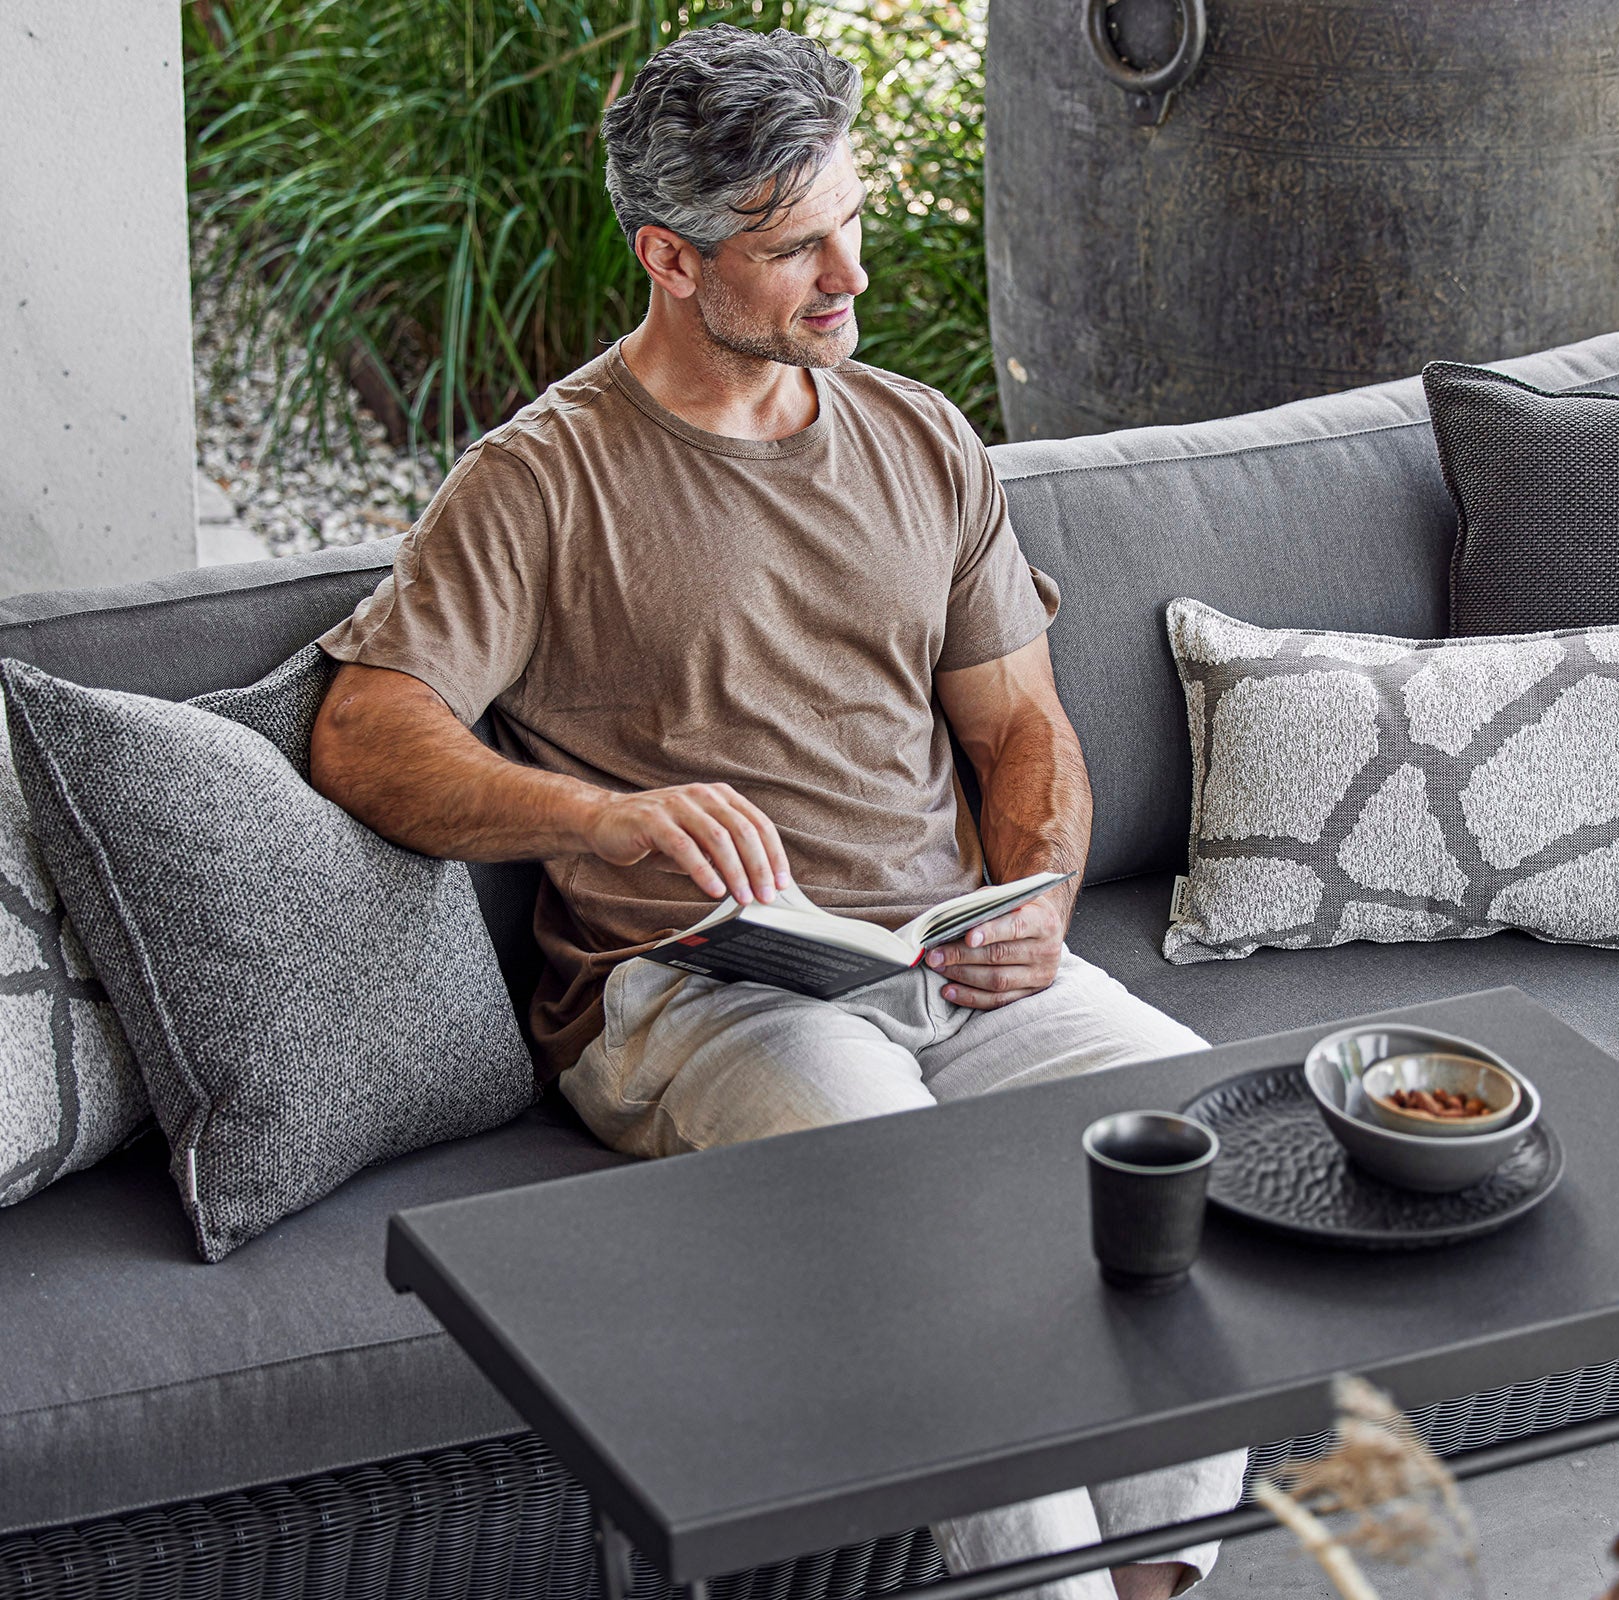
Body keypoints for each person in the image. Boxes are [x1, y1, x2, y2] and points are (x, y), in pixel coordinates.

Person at [308, 23, 1245, 1599]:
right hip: (698, 994)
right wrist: (597, 821)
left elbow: (1021, 726)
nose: (851, 278)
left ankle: (1156, 1581)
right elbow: (363, 731)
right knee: (943, 1235)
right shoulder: (543, 479)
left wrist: (1039, 890)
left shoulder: (921, 438)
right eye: (797, 247)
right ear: (671, 258)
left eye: (851, 224)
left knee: (1189, 1144)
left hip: (948, 968)